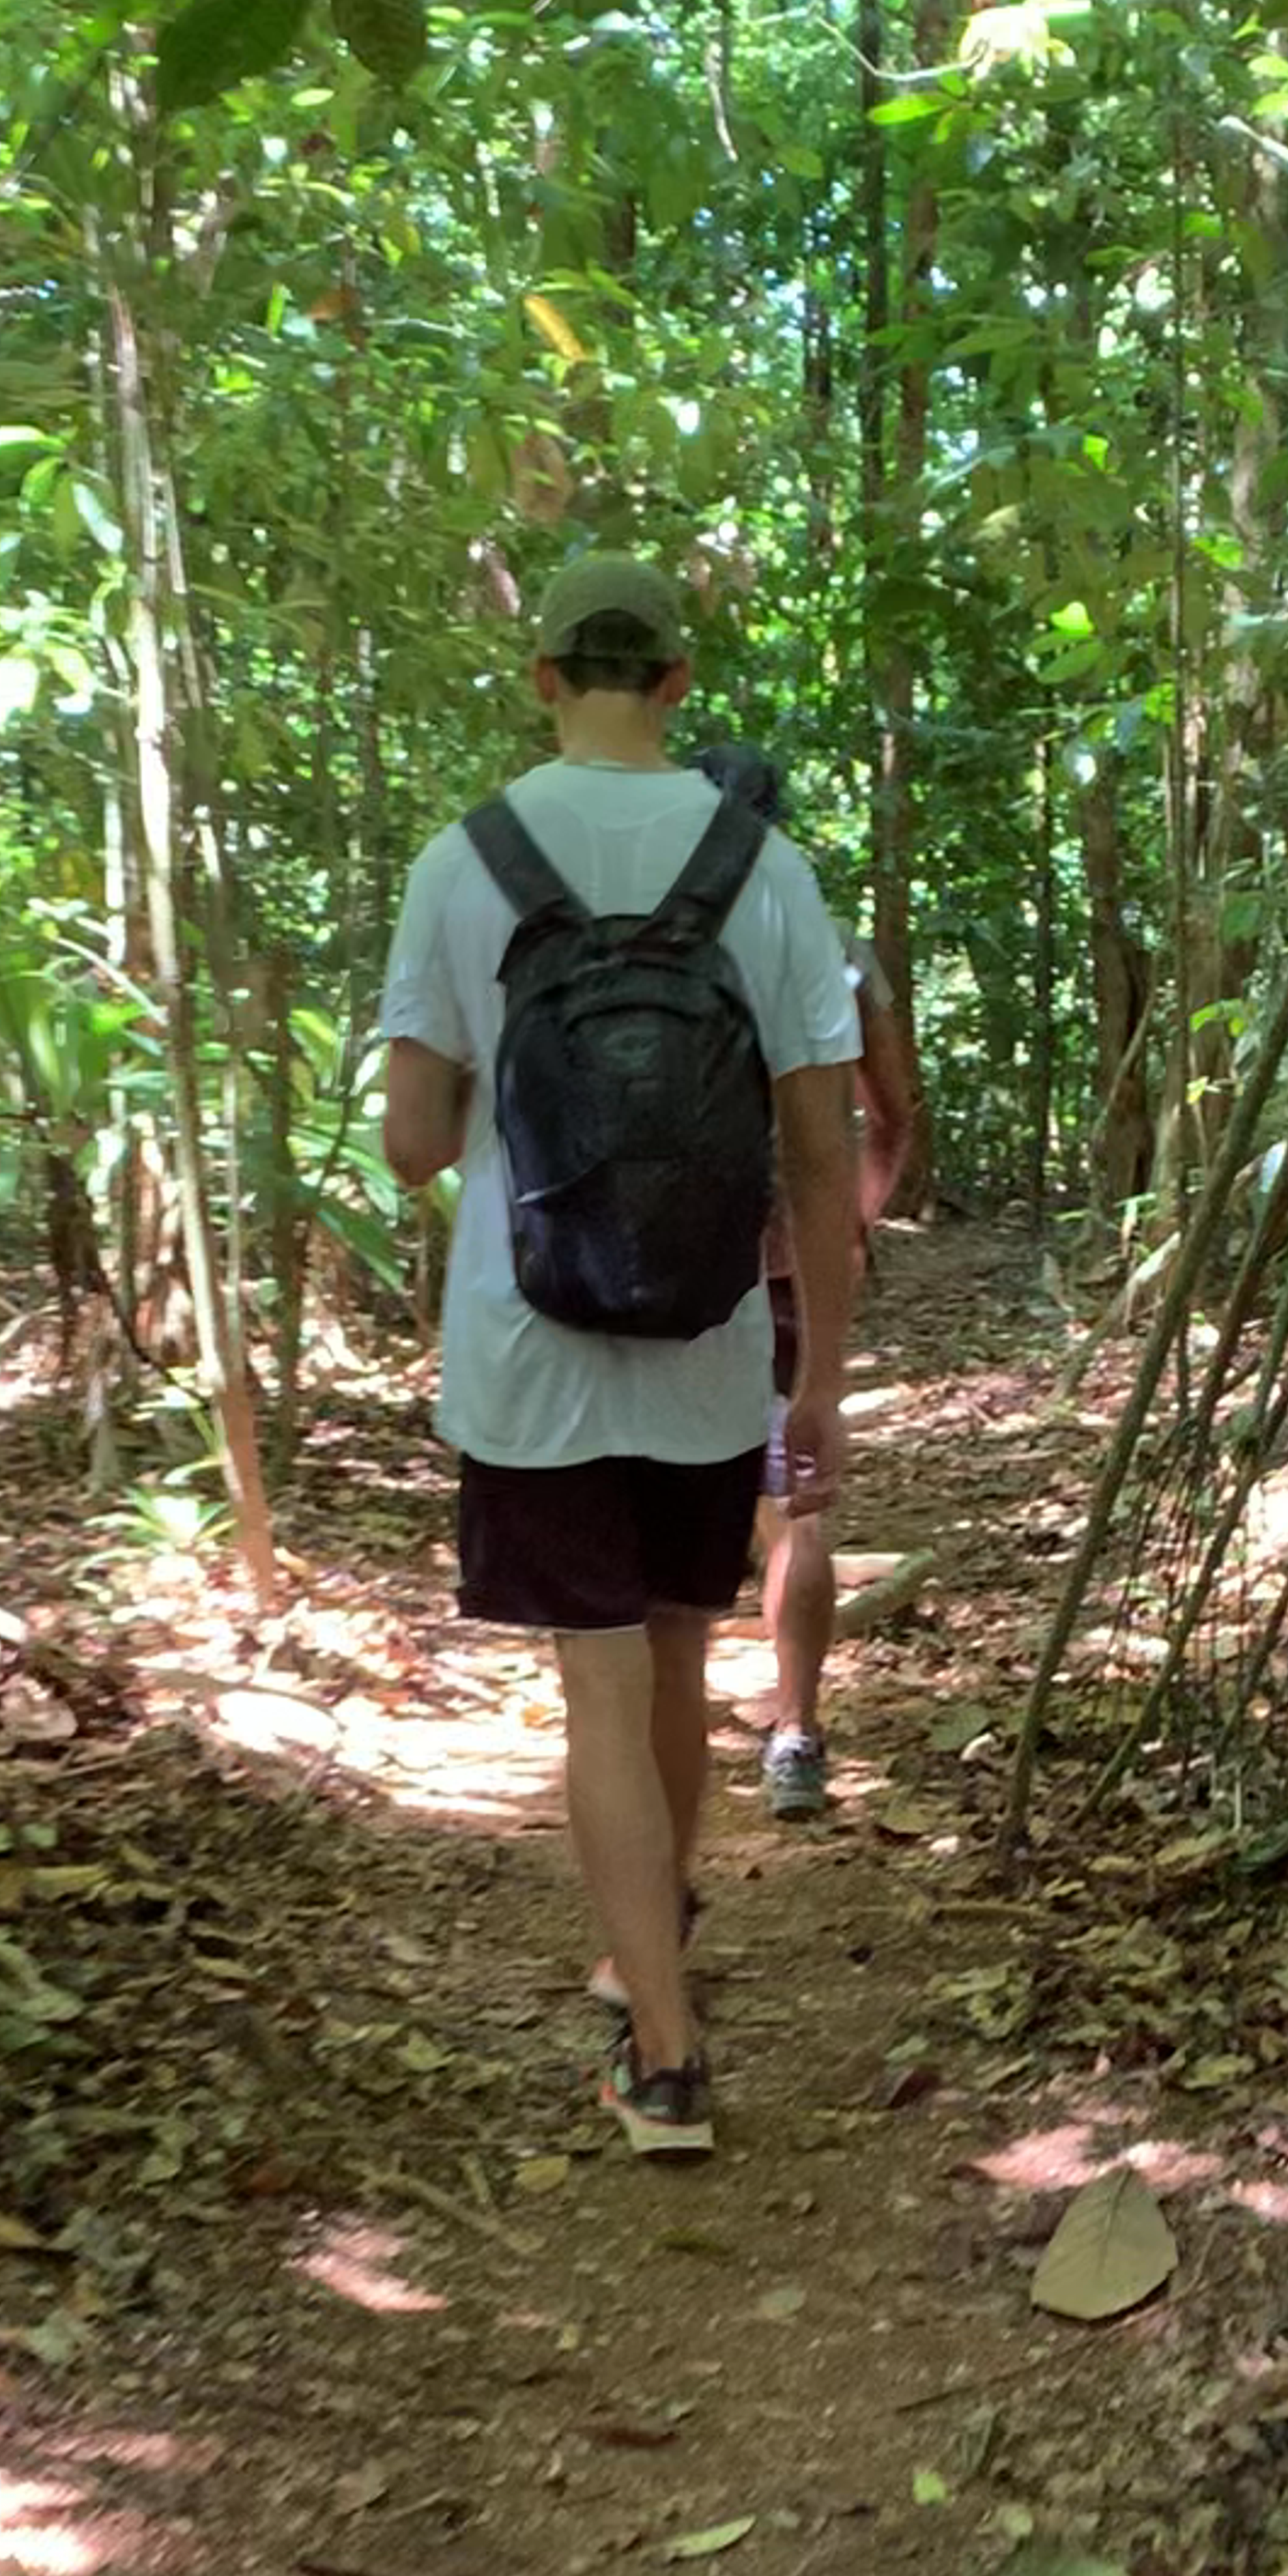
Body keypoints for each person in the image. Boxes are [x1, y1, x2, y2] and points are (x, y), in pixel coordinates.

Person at [380, 556, 861, 2159]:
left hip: (532, 1351)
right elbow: (820, 1154)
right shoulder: (765, 868)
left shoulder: (465, 861)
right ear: (675, 683)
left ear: (542, 677)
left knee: (594, 1682)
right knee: (675, 1657)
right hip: (711, 1343)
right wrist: (820, 1381)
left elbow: (411, 1140)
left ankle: (664, 2056)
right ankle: (654, 1949)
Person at [693, 745, 918, 1821]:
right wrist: (850, 1220)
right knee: (798, 1502)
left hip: (663, 1269)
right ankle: (795, 1733)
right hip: (789, 1266)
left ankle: (650, 1730)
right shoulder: (833, 948)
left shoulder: (642, 941)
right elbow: (895, 1114)